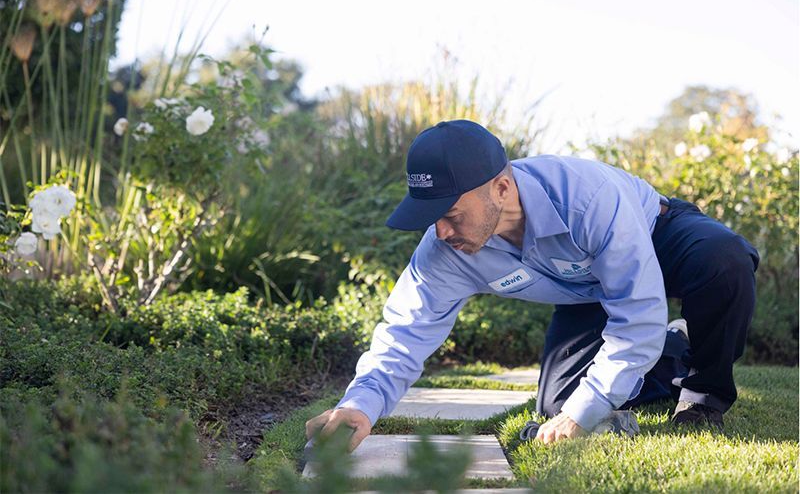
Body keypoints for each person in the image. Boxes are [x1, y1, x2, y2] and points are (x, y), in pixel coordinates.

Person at [305, 119, 760, 451]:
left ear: (502, 188)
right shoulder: (446, 246)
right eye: (430, 216)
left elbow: (635, 314)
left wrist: (590, 407)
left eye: (451, 214)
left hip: (657, 236)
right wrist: (361, 404)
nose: (441, 232)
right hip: (585, 288)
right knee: (560, 404)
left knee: (723, 261)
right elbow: (406, 331)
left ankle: (703, 395)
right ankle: (672, 348)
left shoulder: (589, 200)